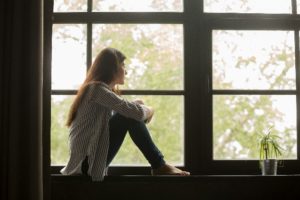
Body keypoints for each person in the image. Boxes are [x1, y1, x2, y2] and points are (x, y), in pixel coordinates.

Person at [61, 47, 190, 181]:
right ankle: (159, 165)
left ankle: (159, 165)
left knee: (130, 112)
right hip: (85, 166)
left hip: (87, 164)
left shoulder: (96, 91)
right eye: (123, 65)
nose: (126, 71)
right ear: (112, 68)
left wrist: (137, 105)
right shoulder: (96, 89)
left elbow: (124, 112)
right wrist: (150, 110)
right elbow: (135, 114)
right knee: (129, 115)